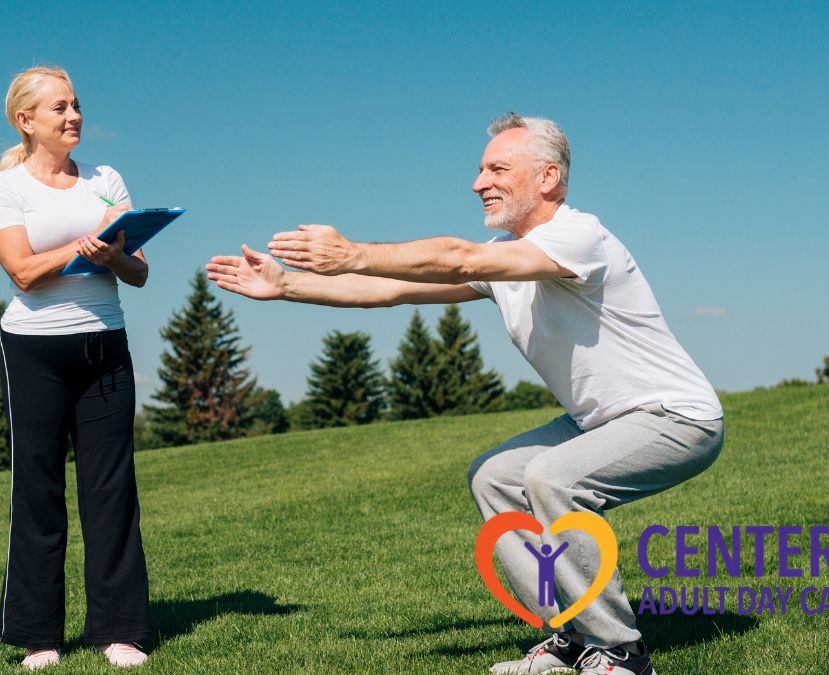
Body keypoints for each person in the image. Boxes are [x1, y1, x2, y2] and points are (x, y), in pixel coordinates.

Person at [205, 112, 723, 675]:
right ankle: (570, 636)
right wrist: (287, 284)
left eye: (497, 169)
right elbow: (392, 290)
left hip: (675, 418)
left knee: (552, 479)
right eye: (480, 170)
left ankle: (621, 652)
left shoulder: (579, 236)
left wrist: (353, 251)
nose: (479, 183)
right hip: (600, 422)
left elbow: (461, 257)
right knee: (495, 476)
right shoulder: (506, 258)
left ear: (548, 178)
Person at [0, 66, 152, 671]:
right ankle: (38, 636)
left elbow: (139, 272)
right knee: (38, 491)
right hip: (34, 350)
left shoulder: (106, 180)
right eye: (59, 108)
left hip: (105, 344)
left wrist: (115, 254)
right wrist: (84, 247)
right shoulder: (5, 189)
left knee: (111, 490)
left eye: (76, 104)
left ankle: (119, 630)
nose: (74, 115)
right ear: (26, 121)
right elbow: (22, 272)